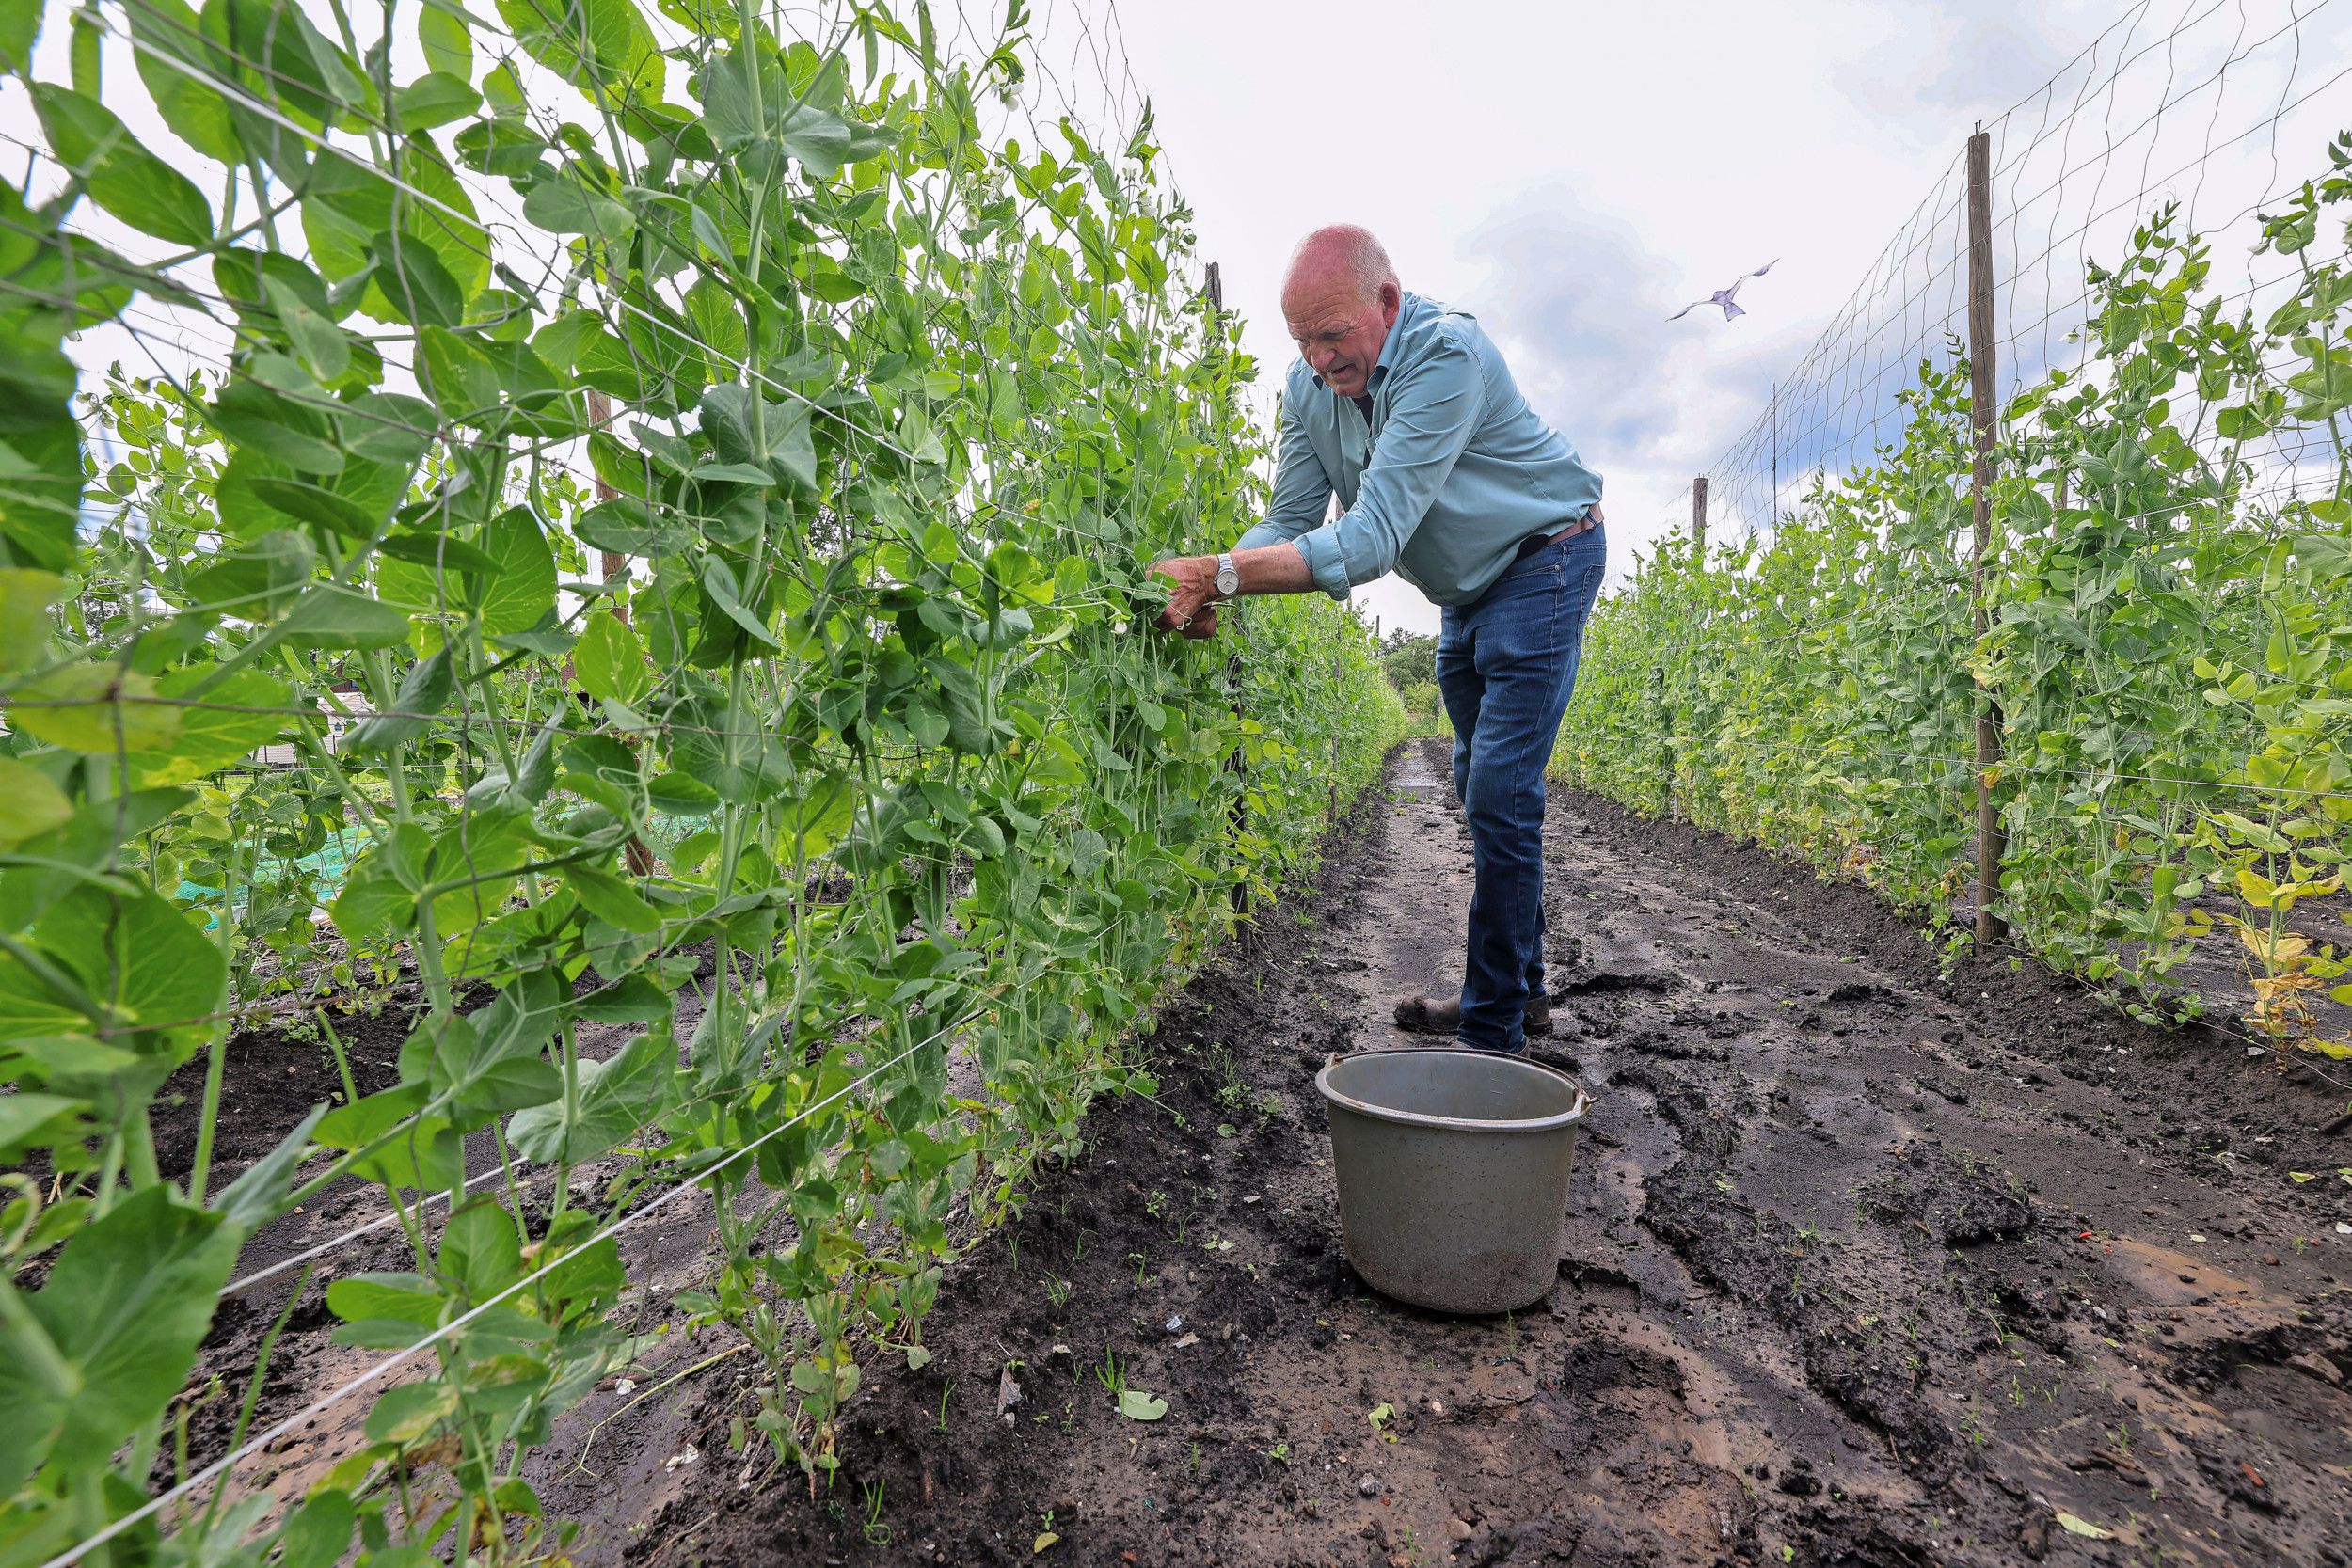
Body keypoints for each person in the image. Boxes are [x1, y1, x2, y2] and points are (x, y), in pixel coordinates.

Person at [1147, 225, 1606, 1056]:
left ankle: (1494, 1033)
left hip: (1548, 559)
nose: (1319, 359)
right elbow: (1288, 520)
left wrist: (1219, 575)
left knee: (1502, 790)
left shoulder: (1445, 359)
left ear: (1386, 304)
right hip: (1467, 590)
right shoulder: (1308, 388)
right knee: (1475, 778)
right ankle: (1520, 991)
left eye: (1332, 334)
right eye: (1301, 340)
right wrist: (1222, 580)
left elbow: (1371, 538)